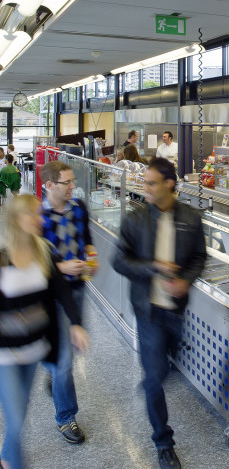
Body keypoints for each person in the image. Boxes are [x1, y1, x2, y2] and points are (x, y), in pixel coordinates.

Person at [113, 157, 206, 469]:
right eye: (145, 181)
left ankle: (155, 374)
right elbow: (118, 261)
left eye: (151, 182)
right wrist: (153, 267)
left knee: (165, 369)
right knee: (154, 377)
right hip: (148, 311)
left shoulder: (191, 218)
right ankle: (163, 442)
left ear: (170, 184)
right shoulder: (136, 219)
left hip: (176, 311)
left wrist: (185, 280)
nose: (145, 187)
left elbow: (198, 258)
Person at [0, 194, 89, 469]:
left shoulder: (44, 250)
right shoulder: (2, 256)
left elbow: (61, 290)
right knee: (15, 418)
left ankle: (5, 457)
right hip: (5, 352)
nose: (39, 220)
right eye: (32, 215)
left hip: (35, 346)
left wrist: (75, 324)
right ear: (16, 220)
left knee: (20, 413)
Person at [40, 161, 98, 444]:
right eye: (67, 182)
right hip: (50, 296)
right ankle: (66, 418)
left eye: (73, 181)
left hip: (77, 291)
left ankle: (53, 370)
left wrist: (91, 256)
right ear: (50, 185)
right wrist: (62, 268)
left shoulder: (78, 209)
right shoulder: (37, 218)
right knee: (63, 361)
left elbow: (86, 240)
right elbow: (34, 264)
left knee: (71, 347)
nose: (73, 187)